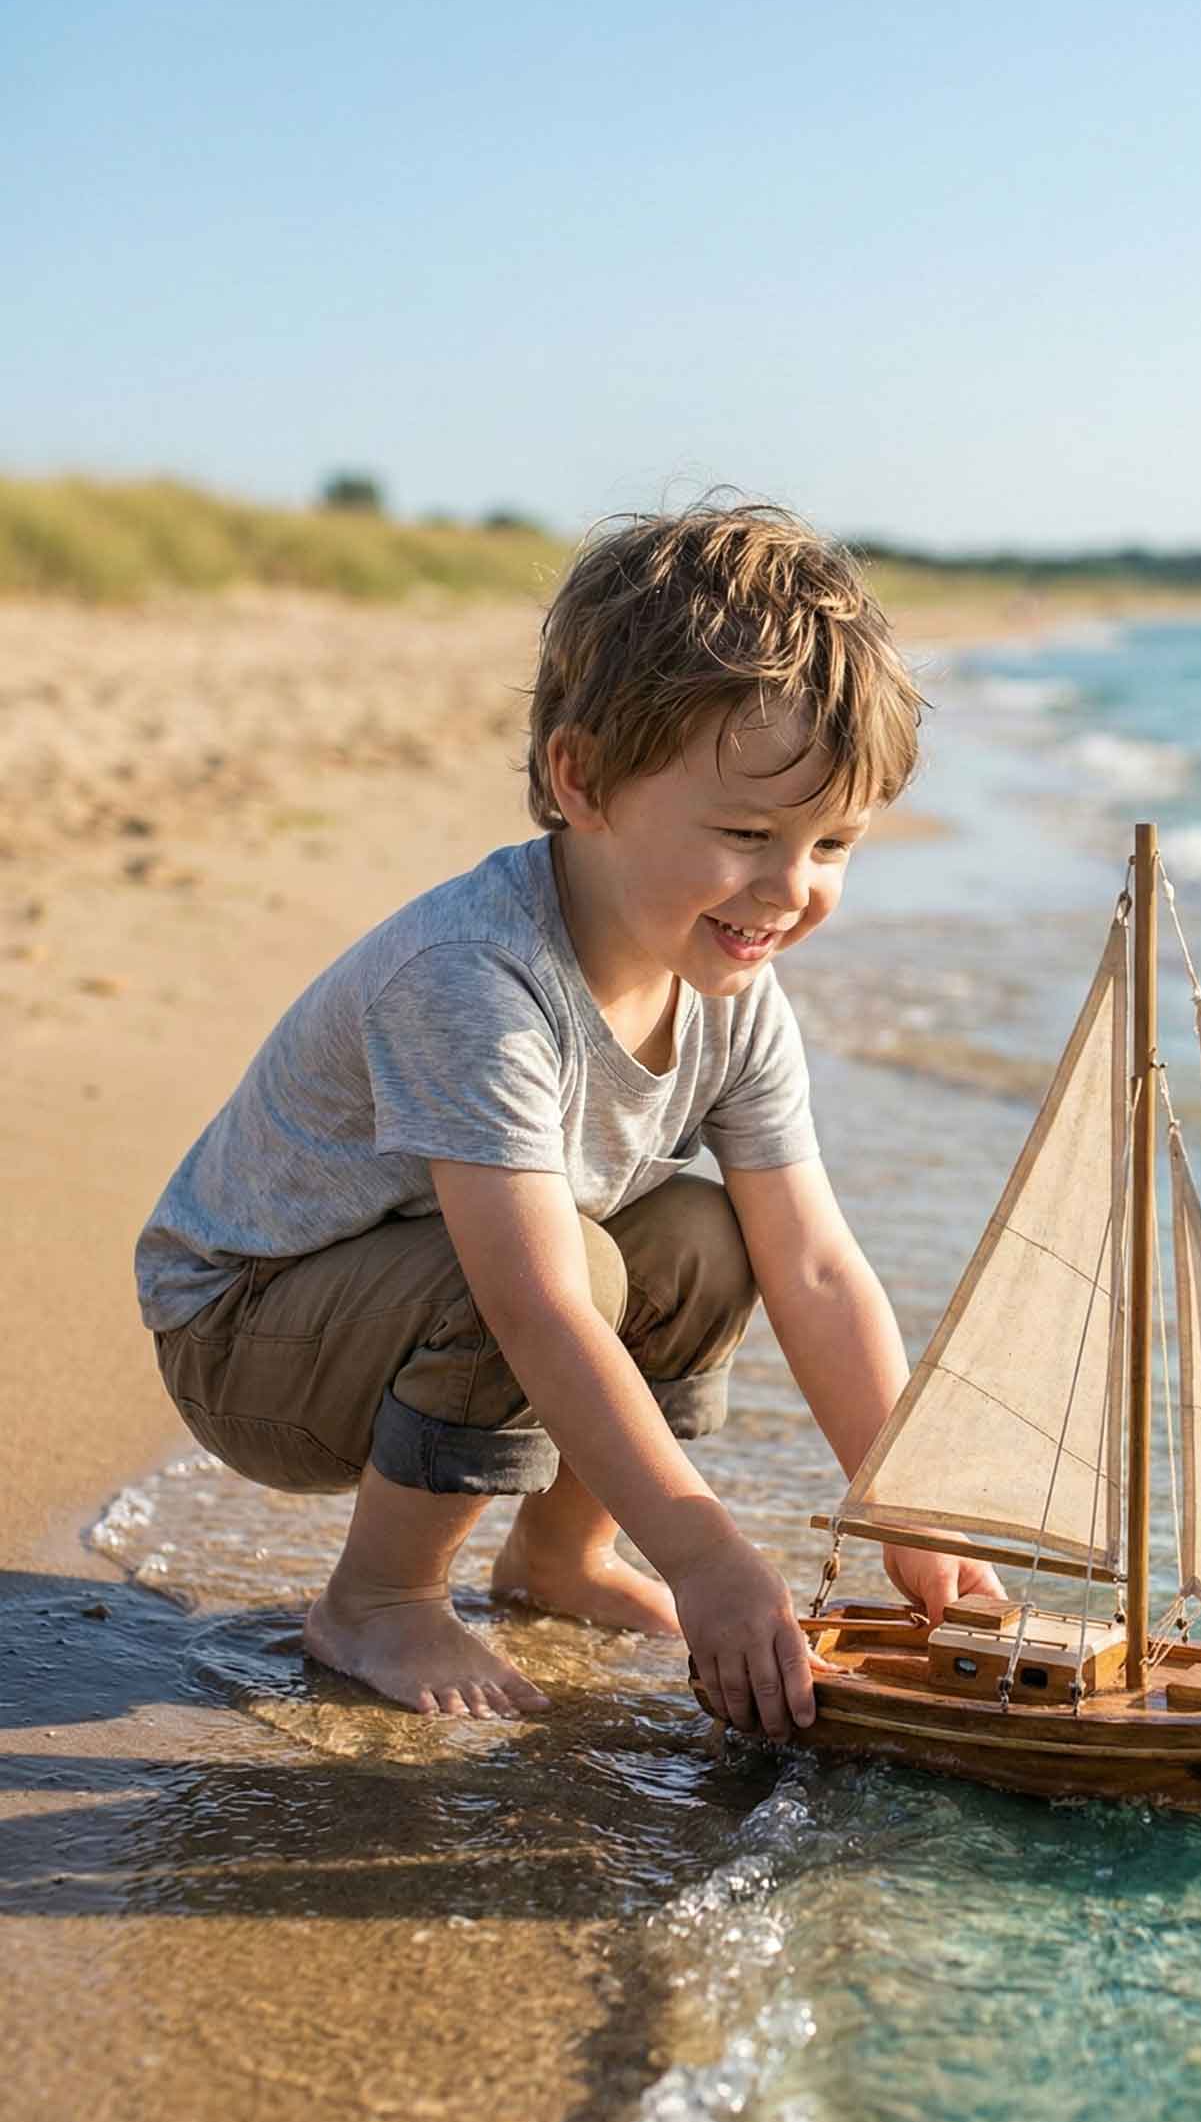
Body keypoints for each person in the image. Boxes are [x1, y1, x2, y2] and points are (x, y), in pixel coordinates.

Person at [134, 500, 1001, 1737]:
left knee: (707, 1235)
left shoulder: (730, 990)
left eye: (834, 845)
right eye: (748, 834)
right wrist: (707, 1555)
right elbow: (536, 1305)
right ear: (580, 779)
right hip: (244, 1332)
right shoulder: (471, 979)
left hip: (415, 1303)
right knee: (569, 1273)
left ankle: (556, 1559)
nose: (790, 890)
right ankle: (379, 1594)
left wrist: (910, 1512)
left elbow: (813, 1264)